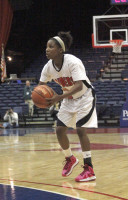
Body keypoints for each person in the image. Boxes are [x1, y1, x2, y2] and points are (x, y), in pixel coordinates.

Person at [39, 31, 98, 182]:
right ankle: (70, 158)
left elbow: (78, 86)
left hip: (84, 96)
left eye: (51, 47)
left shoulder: (72, 61)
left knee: (80, 129)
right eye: (46, 46)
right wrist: (41, 98)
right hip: (68, 98)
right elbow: (40, 86)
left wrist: (58, 97)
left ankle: (89, 169)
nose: (47, 49)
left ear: (60, 50)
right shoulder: (48, 67)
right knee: (59, 130)